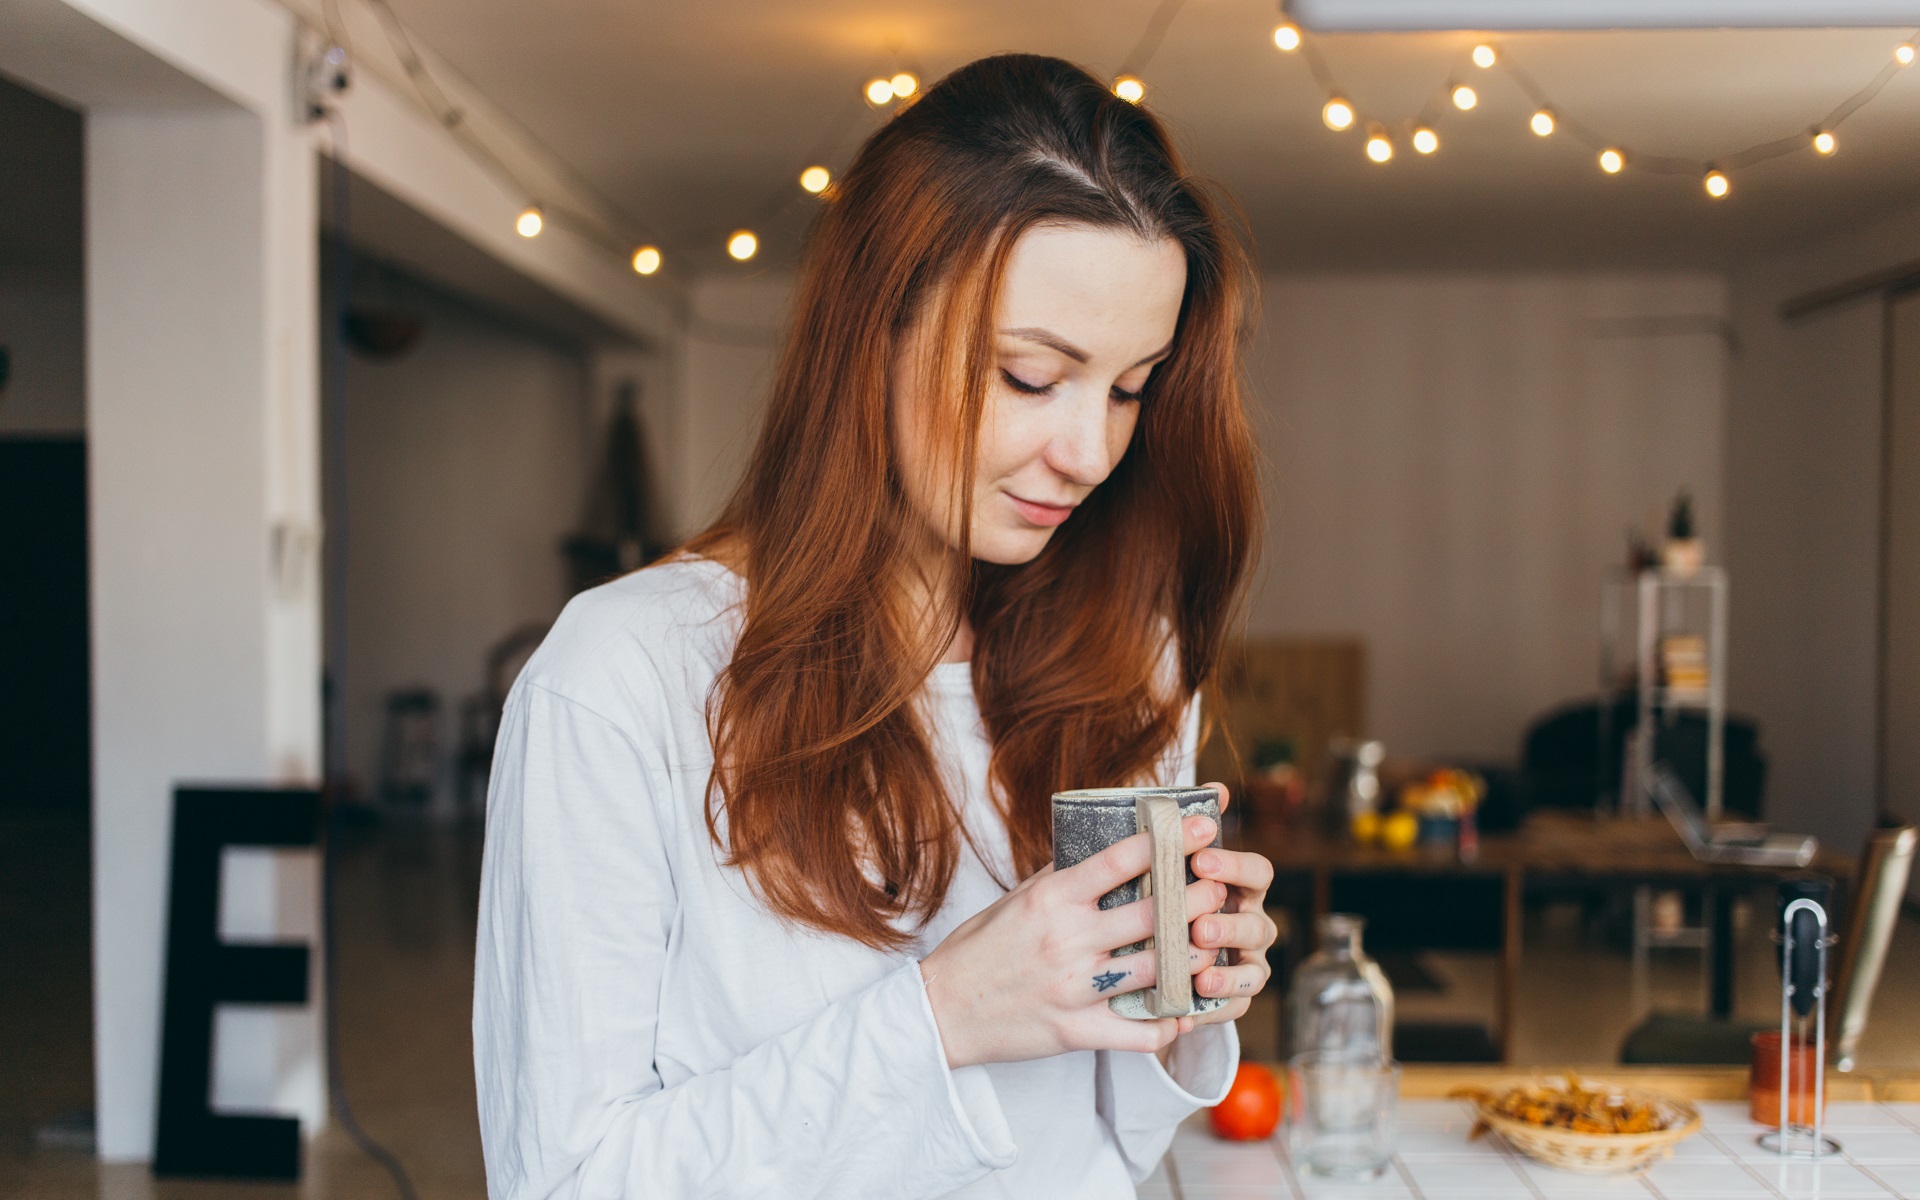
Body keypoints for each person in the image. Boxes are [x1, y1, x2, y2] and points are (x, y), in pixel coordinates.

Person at [473, 52, 1276, 1199]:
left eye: (1131, 387)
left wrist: (1178, 999)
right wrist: (943, 1015)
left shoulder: (1128, 655)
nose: (1091, 453)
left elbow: (1096, 1153)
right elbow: (566, 1180)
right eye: (1029, 376)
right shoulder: (623, 677)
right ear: (872, 331)